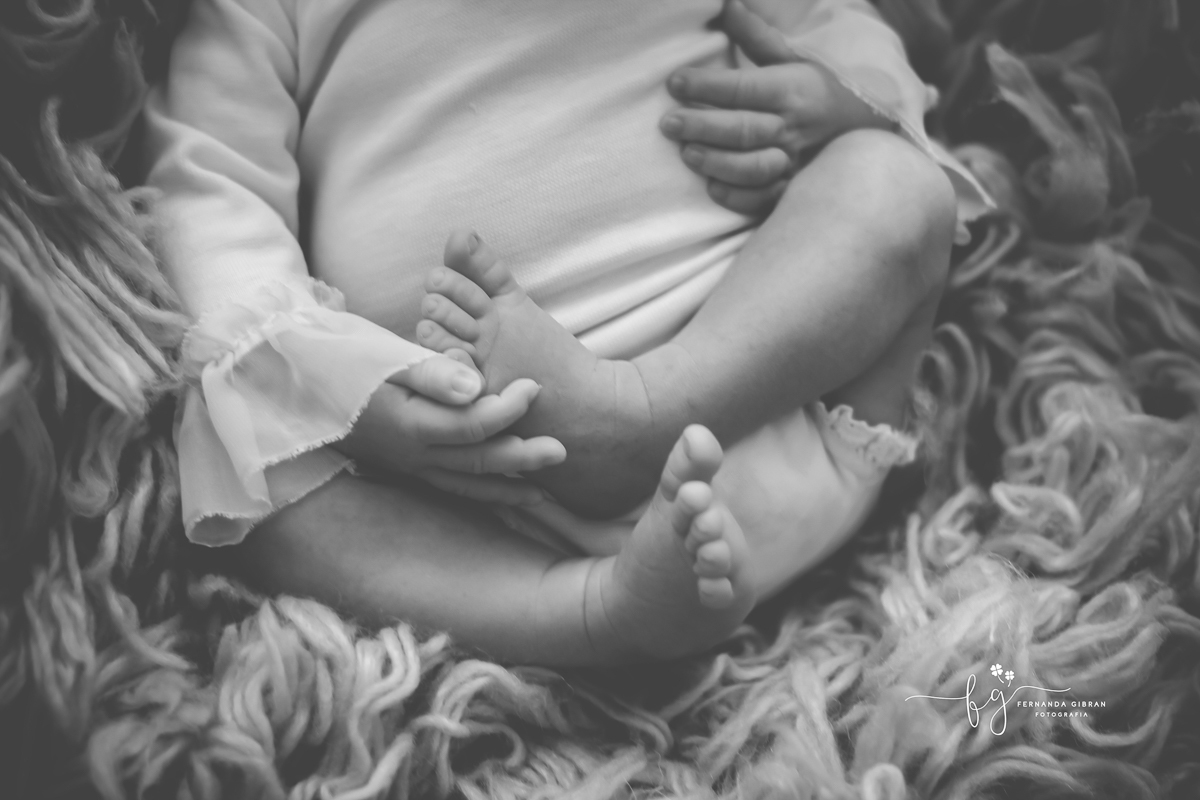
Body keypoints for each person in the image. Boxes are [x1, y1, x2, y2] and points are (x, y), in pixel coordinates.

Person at [145, 0, 989, 665]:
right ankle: (589, 612)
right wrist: (339, 390)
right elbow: (208, 183)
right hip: (458, 489)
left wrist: (841, 98)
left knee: (898, 186)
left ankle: (643, 413)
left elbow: (834, 23)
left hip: (766, 389)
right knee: (259, 478)